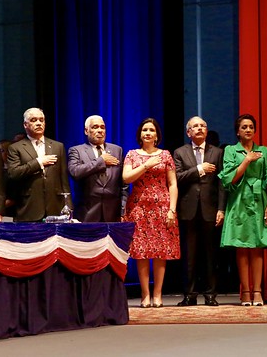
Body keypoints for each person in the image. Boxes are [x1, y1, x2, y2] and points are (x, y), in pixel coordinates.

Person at [218, 114, 267, 306]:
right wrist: (246, 161)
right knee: (242, 247)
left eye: (251, 127)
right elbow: (229, 178)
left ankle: (257, 291)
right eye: (244, 127)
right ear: (238, 131)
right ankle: (245, 290)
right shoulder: (230, 150)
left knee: (257, 248)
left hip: (259, 200)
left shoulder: (263, 150)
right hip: (239, 201)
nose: (248, 130)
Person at [123, 117, 179, 308]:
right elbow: (126, 178)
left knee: (161, 251)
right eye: (145, 130)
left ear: (157, 135)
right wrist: (146, 165)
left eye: (151, 130)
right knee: (142, 252)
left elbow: (172, 183)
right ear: (140, 134)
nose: (148, 133)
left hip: (162, 207)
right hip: (139, 208)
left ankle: (158, 293)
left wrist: (172, 209)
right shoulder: (132, 154)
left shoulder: (165, 155)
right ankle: (145, 293)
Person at [173, 116, 226, 306]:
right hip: (188, 209)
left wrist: (221, 208)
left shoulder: (218, 152)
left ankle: (211, 295)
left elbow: (222, 183)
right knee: (190, 255)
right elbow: (177, 178)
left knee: (211, 255)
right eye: (195, 126)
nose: (200, 129)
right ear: (189, 132)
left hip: (211, 209)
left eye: (203, 126)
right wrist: (199, 169)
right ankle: (190, 294)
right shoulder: (180, 152)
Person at [7, 108, 72, 222]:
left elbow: (64, 180)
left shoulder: (58, 147)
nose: (38, 123)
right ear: (25, 124)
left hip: (55, 207)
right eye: (34, 120)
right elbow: (13, 173)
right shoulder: (15, 148)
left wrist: (69, 206)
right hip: (29, 208)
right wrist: (38, 162)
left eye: (41, 120)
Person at [68, 115, 128, 222]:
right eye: (95, 127)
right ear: (86, 131)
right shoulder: (76, 150)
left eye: (102, 127)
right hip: (87, 213)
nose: (100, 130)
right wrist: (101, 161)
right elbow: (75, 172)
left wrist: (123, 209)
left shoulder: (117, 150)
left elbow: (123, 184)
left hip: (112, 213)